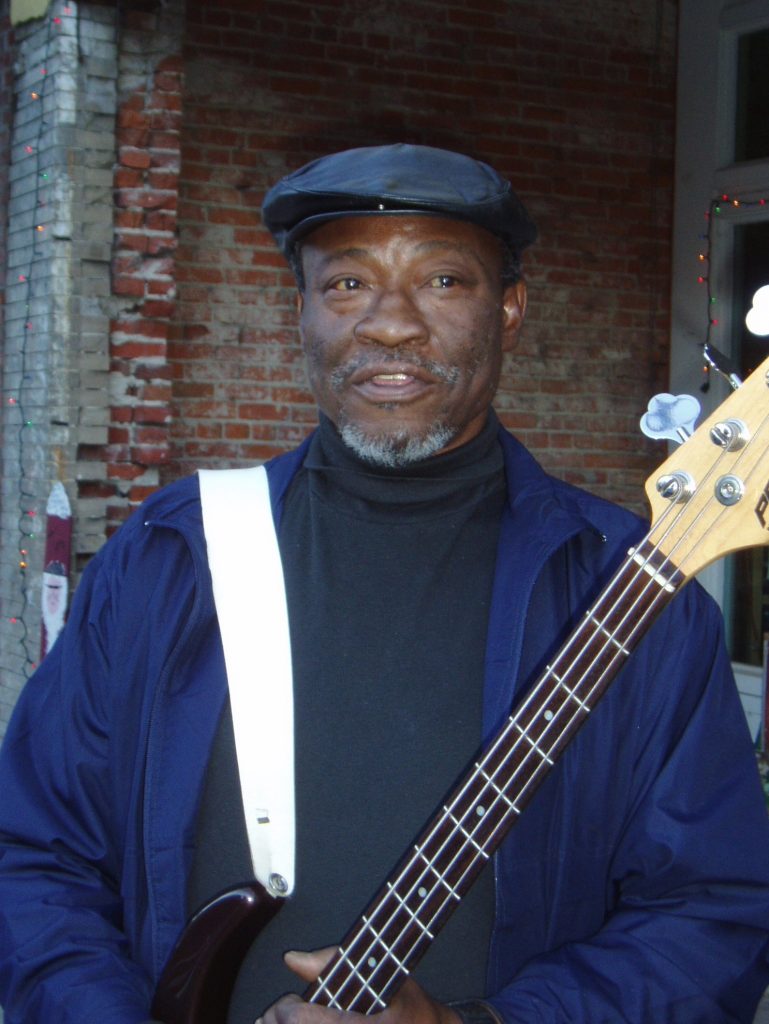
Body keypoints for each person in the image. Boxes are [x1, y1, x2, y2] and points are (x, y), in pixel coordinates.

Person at [0, 143, 768, 1024]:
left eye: (443, 282)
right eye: (346, 284)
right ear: (302, 312)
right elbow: (34, 853)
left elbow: (712, 914)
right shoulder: (171, 555)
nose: (390, 324)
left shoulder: (629, 593)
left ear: (509, 309)